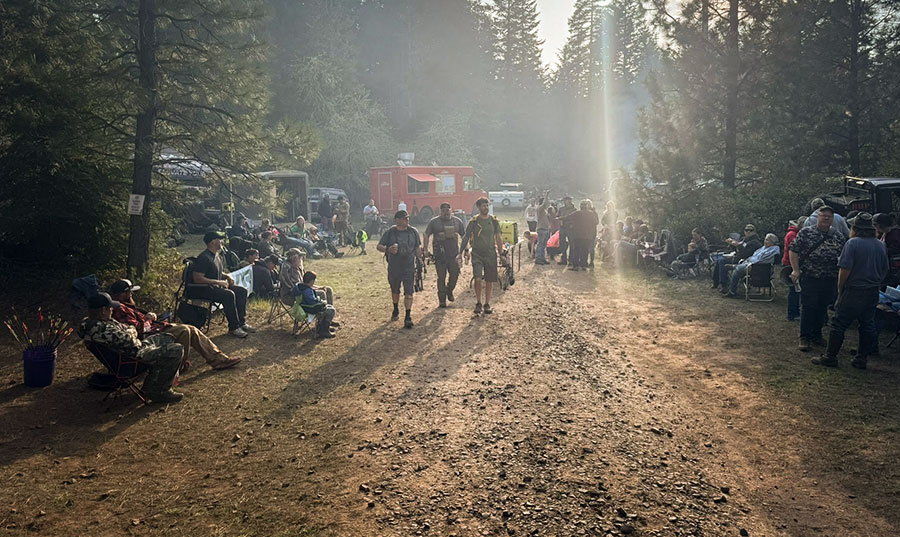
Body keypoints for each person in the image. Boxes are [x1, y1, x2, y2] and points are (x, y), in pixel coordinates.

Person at [109, 279, 241, 371]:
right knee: (185, 330)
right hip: (150, 337)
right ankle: (176, 367)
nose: (132, 294)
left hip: (155, 330)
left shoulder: (125, 306)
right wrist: (149, 319)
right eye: (129, 292)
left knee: (191, 329)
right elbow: (137, 330)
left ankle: (218, 359)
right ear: (122, 294)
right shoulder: (119, 309)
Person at [78, 293, 184, 403]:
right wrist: (132, 330)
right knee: (176, 349)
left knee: (166, 338)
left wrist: (129, 331)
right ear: (103, 311)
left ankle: (150, 386)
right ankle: (161, 391)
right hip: (133, 359)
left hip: (128, 355)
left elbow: (125, 331)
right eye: (110, 308)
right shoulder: (103, 330)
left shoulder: (88, 324)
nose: (112, 310)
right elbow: (129, 339)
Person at [813, 212, 888, 369]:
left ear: (855, 227)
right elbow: (884, 269)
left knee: (839, 323)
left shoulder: (852, 243)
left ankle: (830, 357)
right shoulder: (880, 245)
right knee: (867, 324)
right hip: (872, 290)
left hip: (854, 290)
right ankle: (861, 359)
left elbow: (844, 270)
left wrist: (840, 289)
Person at [789, 206, 846, 351]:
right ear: (818, 217)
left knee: (822, 308)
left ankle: (816, 335)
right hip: (810, 276)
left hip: (829, 278)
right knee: (809, 307)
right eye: (823, 215)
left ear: (832, 219)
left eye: (829, 216)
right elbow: (793, 250)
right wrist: (796, 270)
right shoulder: (807, 232)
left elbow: (844, 256)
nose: (826, 218)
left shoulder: (837, 236)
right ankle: (804, 337)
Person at [187, 231, 255, 338]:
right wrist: (217, 282)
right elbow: (197, 278)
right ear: (213, 242)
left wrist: (227, 276)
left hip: (214, 287)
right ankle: (234, 327)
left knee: (241, 291)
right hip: (202, 289)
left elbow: (215, 272)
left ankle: (242, 323)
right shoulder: (204, 258)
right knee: (229, 295)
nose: (222, 241)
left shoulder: (217, 255)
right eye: (220, 239)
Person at [377, 210, 423, 328]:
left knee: (409, 291)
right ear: (397, 220)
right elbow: (379, 246)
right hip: (394, 266)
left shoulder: (413, 232)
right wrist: (388, 249)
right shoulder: (390, 232)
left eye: (407, 218)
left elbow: (417, 248)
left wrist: (421, 259)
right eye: (404, 218)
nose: (407, 220)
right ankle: (396, 308)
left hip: (409, 267)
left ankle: (408, 316)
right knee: (395, 290)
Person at [460, 198, 504, 314]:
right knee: (478, 279)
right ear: (478, 207)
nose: (486, 208)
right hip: (477, 254)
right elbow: (466, 237)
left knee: (489, 280)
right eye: (483, 206)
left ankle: (487, 304)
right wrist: (461, 251)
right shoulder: (474, 221)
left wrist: (501, 252)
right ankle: (478, 302)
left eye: (487, 205)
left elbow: (498, 237)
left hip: (490, 254)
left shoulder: (494, 221)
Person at [424, 203, 466, 308]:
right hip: (440, 256)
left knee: (455, 275)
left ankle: (449, 290)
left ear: (451, 210)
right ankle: (442, 300)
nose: (446, 213)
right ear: (440, 211)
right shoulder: (434, 222)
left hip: (454, 255)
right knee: (441, 277)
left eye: (448, 210)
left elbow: (464, 235)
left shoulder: (457, 221)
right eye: (443, 211)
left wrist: (466, 250)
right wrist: (425, 250)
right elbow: (426, 234)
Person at [711, 224, 762, 290]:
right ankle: (716, 282)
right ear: (744, 231)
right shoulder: (743, 239)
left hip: (745, 261)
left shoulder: (755, 242)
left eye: (751, 230)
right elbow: (737, 250)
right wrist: (732, 244)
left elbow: (746, 254)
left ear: (754, 232)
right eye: (746, 230)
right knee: (719, 260)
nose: (748, 232)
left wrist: (738, 245)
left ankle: (724, 284)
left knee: (722, 261)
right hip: (737, 258)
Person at [294, 271, 337, 339]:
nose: (314, 282)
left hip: (303, 306)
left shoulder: (300, 286)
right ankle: (324, 330)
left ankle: (322, 327)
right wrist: (321, 301)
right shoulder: (307, 290)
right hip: (310, 308)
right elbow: (313, 302)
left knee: (328, 307)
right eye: (314, 281)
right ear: (311, 281)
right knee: (331, 310)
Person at [562, 200, 599, 271]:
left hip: (577, 235)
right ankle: (583, 265)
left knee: (576, 250)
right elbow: (596, 222)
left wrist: (559, 218)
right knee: (585, 251)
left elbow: (568, 217)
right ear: (587, 206)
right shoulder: (591, 214)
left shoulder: (577, 213)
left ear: (580, 206)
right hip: (587, 236)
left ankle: (576, 266)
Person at [782, 220, 800, 321]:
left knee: (795, 290)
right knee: (794, 290)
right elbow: (794, 250)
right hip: (791, 264)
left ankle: (794, 313)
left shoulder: (792, 233)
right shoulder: (792, 235)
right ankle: (792, 314)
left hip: (790, 263)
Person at [557, 196, 577, 265]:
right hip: (562, 227)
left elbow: (574, 218)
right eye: (565, 200)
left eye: (568, 200)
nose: (567, 202)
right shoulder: (561, 209)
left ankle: (571, 259)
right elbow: (557, 216)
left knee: (572, 244)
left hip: (570, 228)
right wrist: (559, 221)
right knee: (562, 243)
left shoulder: (574, 209)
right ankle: (564, 259)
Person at [534, 191, 551, 265]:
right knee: (540, 244)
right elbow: (544, 203)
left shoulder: (544, 210)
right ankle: (538, 259)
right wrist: (546, 195)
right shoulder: (539, 209)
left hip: (546, 228)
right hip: (541, 229)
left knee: (544, 245)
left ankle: (542, 258)